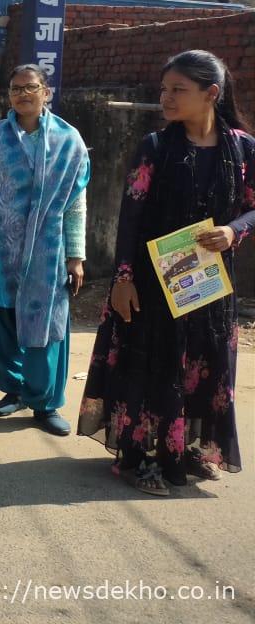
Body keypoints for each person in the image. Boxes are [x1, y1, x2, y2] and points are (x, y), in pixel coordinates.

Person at [78, 50, 251, 494]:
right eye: (163, 89)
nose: (166, 98)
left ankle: (184, 450)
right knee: (152, 364)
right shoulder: (155, 148)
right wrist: (122, 279)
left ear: (211, 93)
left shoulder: (243, 149)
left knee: (203, 364)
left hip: (210, 284)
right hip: (152, 283)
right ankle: (139, 457)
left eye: (178, 90)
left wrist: (233, 231)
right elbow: (130, 217)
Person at [0, 64, 89, 436]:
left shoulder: (68, 141)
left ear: (46, 92)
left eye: (30, 87)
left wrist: (76, 256)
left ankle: (45, 403)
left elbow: (75, 203)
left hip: (47, 256)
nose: (23, 94)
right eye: (15, 89)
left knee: (45, 331)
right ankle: (15, 390)